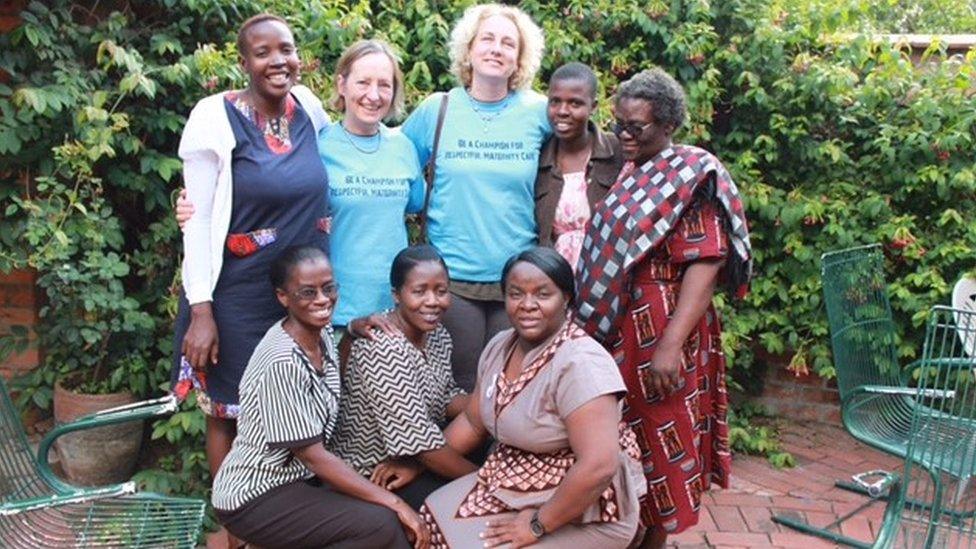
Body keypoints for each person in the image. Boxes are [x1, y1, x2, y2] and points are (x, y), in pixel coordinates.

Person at [574, 68, 753, 549]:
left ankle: (652, 541)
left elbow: (705, 264)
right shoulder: (636, 171)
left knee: (661, 437)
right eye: (620, 125)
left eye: (638, 126)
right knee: (631, 437)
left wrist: (669, 346)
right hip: (623, 328)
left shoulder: (692, 175)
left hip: (664, 328)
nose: (625, 135)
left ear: (669, 124)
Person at [171, 13, 330, 484]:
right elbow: (197, 221)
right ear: (244, 62)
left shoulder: (308, 108)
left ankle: (280, 513)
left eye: (286, 49)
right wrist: (202, 311)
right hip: (238, 295)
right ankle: (233, 522)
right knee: (230, 412)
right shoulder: (213, 117)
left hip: (301, 294)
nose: (278, 61)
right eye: (263, 53)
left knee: (291, 407)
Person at [176, 39, 425, 337]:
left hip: (392, 311)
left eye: (384, 85)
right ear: (341, 84)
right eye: (363, 82)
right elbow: (264, 189)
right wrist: (199, 207)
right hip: (327, 311)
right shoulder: (315, 144)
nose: (373, 95)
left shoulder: (403, 147)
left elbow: (415, 204)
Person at [418, 247, 646, 548]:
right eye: (516, 294)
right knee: (433, 515)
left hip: (585, 506)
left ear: (566, 298)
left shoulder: (581, 363)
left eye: (542, 294)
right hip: (515, 478)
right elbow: (474, 422)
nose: (527, 305)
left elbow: (598, 466)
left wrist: (538, 525)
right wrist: (420, 462)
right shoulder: (501, 346)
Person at [211, 246, 428, 549]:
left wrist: (351, 331)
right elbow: (313, 455)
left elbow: (330, 378)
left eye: (328, 288)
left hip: (297, 480)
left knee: (391, 514)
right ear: (283, 297)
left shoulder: (320, 334)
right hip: (256, 494)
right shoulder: (282, 362)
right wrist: (394, 503)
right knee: (381, 524)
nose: (323, 300)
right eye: (308, 293)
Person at [393, 3, 550, 393]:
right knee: (459, 386)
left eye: (508, 43)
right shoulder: (438, 108)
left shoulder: (540, 112)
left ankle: (503, 459)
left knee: (509, 388)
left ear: (520, 58)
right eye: (488, 39)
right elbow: (393, 159)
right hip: (451, 279)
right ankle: (458, 458)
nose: (497, 49)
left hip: (518, 279)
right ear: (469, 49)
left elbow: (577, 162)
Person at [332, 245, 477, 510]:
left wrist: (492, 405)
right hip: (373, 472)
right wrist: (485, 479)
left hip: (416, 459)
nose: (433, 301)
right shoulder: (383, 347)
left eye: (441, 291)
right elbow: (422, 447)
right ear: (396, 295)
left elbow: (445, 398)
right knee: (470, 506)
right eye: (419, 291)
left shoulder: (437, 335)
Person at [535, 62, 623, 269]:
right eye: (555, 102)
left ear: (593, 106)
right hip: (554, 280)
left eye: (575, 104)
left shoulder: (618, 151)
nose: (562, 111)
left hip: (608, 275)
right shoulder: (538, 157)